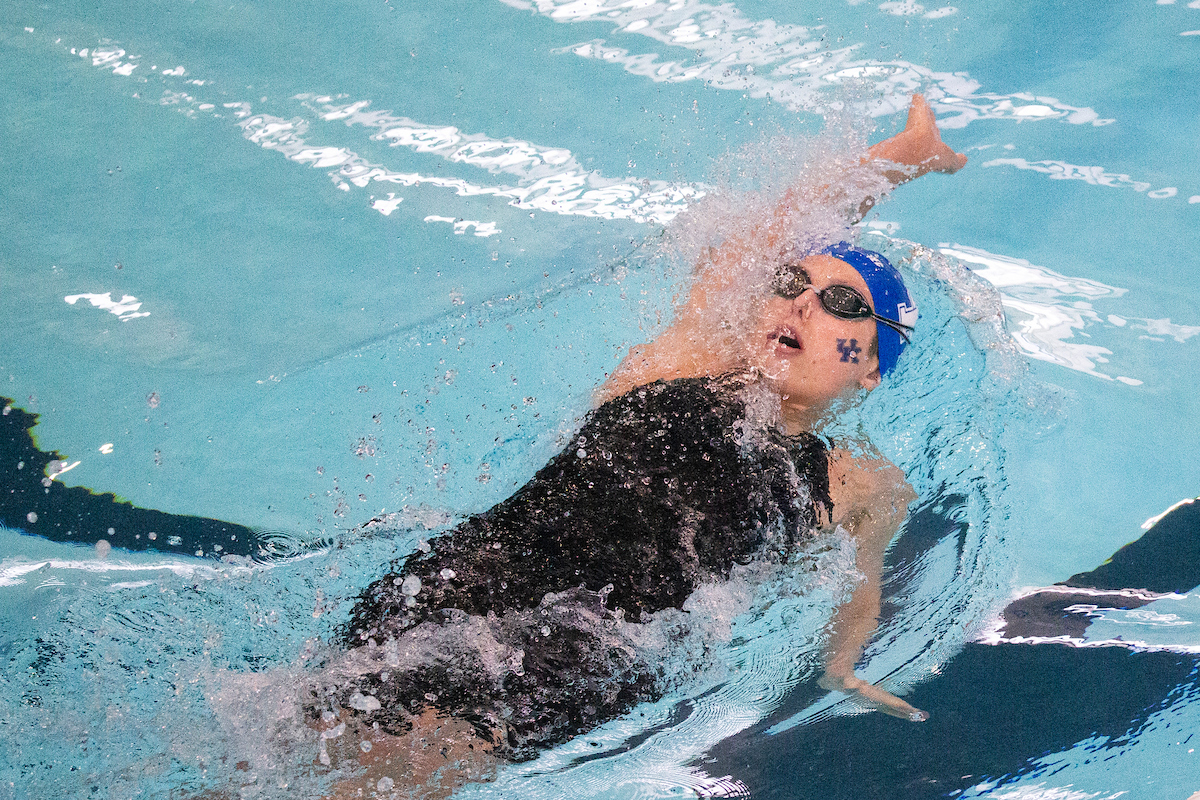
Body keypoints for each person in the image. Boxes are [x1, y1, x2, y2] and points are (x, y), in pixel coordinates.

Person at [303, 94, 968, 797]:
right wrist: (902, 159)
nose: (802, 303)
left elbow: (859, 583)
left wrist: (844, 666)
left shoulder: (859, 481)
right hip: (467, 574)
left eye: (842, 303)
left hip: (596, 646)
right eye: (791, 284)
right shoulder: (681, 364)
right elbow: (774, 233)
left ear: (872, 364)